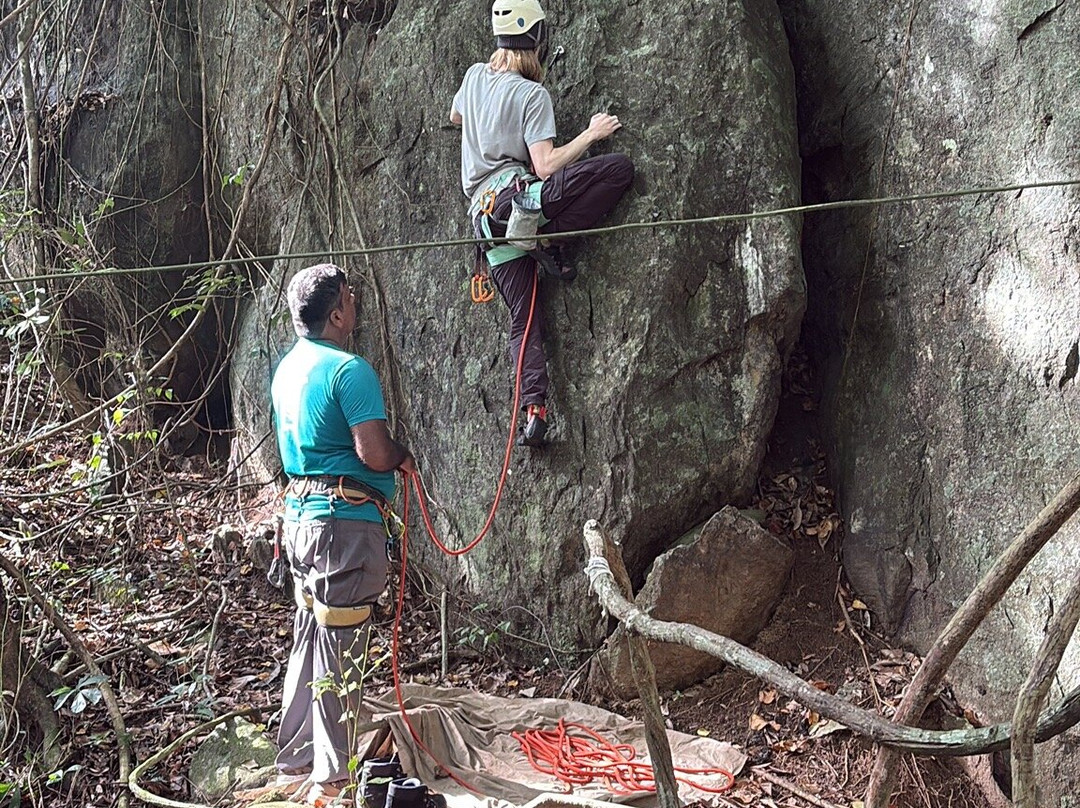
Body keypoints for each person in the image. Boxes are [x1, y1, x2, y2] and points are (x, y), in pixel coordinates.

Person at [451, 0, 634, 447]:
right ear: (537, 40)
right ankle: (548, 237)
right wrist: (591, 133)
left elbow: (455, 117)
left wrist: (482, 120)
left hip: (485, 223)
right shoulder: (532, 95)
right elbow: (546, 165)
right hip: (519, 199)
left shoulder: (474, 76)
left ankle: (534, 411)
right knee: (618, 171)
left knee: (523, 320)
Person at [270, 263, 415, 806]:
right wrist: (401, 457)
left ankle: (296, 757)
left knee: (311, 631)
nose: (355, 305)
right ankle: (331, 777)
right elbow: (372, 451)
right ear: (335, 314)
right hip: (342, 524)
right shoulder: (349, 371)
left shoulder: (288, 368)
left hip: (300, 520)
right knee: (341, 643)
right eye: (350, 298)